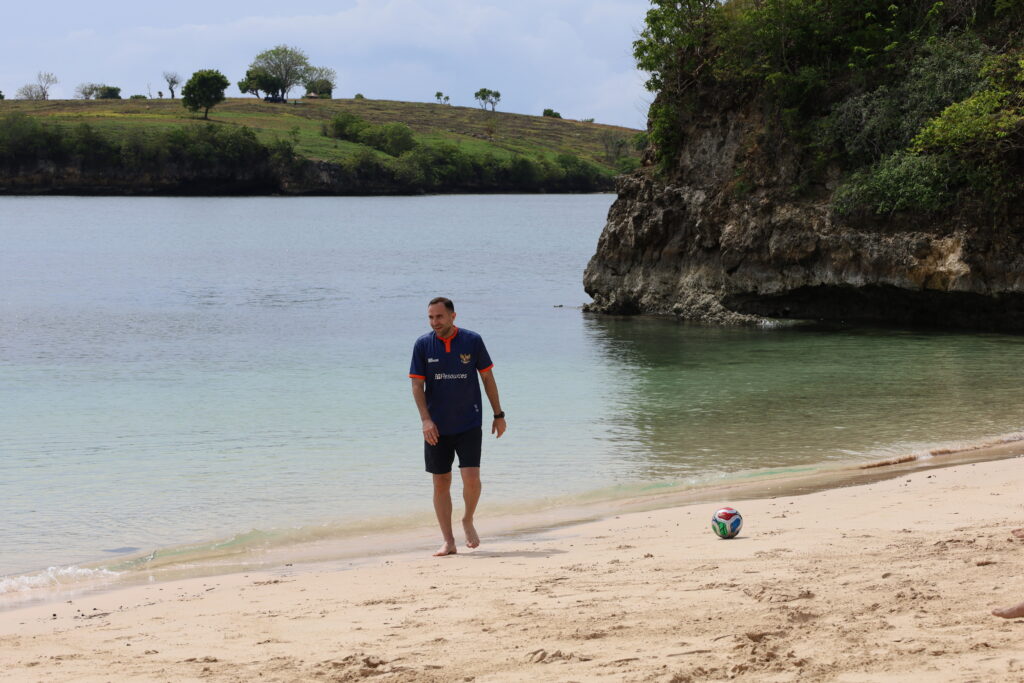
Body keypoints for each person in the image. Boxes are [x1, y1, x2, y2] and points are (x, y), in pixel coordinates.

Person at [409, 297, 506, 556]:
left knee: (471, 479)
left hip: (469, 422)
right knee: (441, 482)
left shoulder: (472, 341)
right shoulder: (422, 345)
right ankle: (448, 540)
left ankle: (468, 519)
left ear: (453, 316)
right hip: (436, 427)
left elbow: (487, 377)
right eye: (430, 317)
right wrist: (425, 420)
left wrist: (499, 414)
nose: (434, 322)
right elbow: (417, 385)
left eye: (439, 317)